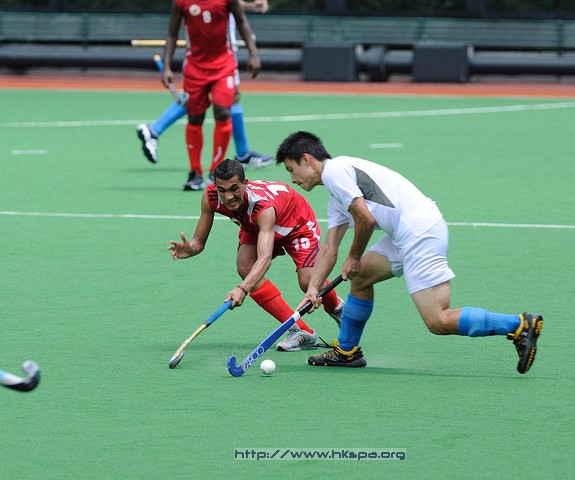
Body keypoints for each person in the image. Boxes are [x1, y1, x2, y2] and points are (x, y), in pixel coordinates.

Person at [275, 131, 543, 372]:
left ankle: (518, 325)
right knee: (362, 276)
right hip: (406, 233)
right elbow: (329, 248)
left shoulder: (335, 172)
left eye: (291, 169)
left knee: (438, 320)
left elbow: (365, 219)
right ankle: (347, 351)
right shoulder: (337, 195)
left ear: (306, 159)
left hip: (419, 233)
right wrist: (314, 289)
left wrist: (354, 257)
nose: (293, 179)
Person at [167, 158, 345, 352]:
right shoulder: (211, 197)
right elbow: (198, 242)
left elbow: (265, 259)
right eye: (222, 190)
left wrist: (242, 289)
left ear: (245, 183)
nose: (228, 197)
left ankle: (337, 308)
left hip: (296, 224)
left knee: (308, 281)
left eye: (234, 189)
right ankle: (300, 330)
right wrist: (191, 248)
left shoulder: (262, 206)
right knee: (245, 266)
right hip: (255, 225)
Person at [136, 0, 273, 170]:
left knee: (230, 98)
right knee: (211, 102)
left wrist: (250, 6)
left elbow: (228, 6)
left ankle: (242, 152)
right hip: (212, 53)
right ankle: (156, 130)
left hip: (225, 52)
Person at [160, 0, 263, 191]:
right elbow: (172, 34)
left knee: (223, 112)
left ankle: (215, 171)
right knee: (195, 117)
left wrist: (253, 53)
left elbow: (242, 22)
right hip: (194, 68)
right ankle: (195, 172)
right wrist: (167, 66)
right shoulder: (181, 2)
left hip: (224, 66)